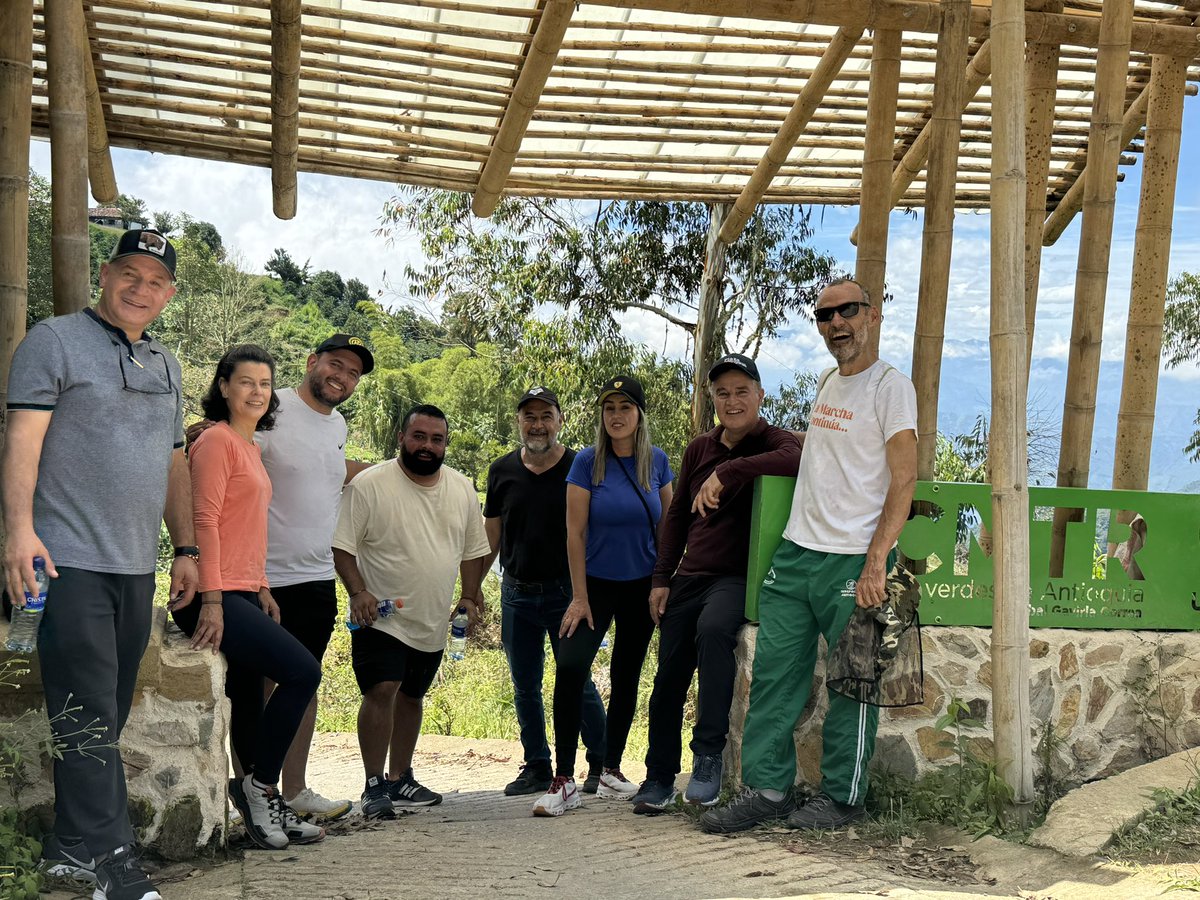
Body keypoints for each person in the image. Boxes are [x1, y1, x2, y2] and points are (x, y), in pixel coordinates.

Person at [2, 229, 196, 900]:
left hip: (135, 567)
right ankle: (116, 867)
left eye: (156, 282)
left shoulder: (168, 366)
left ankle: (68, 849)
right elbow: (22, 441)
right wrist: (19, 532)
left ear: (169, 296)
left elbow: (174, 463)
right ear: (106, 273)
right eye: (130, 274)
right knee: (86, 715)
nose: (140, 289)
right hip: (66, 561)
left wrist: (188, 548)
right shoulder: (52, 342)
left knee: (104, 716)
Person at [700, 278, 917, 834]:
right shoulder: (827, 381)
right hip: (797, 553)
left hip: (851, 560)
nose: (836, 323)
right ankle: (769, 790)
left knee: (852, 682)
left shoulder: (890, 387)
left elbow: (904, 476)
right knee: (775, 676)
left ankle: (844, 799)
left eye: (847, 311)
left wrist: (877, 561)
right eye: (825, 316)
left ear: (870, 316)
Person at [632, 353, 802, 814]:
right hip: (688, 577)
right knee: (667, 677)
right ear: (713, 399)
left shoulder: (775, 439)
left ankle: (708, 758)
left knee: (713, 632)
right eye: (722, 393)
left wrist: (729, 472)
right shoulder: (698, 448)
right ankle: (659, 777)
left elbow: (795, 457)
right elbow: (676, 519)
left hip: (735, 578)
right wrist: (661, 578)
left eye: (741, 391)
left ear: (760, 395)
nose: (732, 401)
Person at [171, 345, 324, 851]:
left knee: (249, 695)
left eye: (264, 384)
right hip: (211, 594)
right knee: (303, 672)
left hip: (241, 589)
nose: (256, 392)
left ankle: (263, 799)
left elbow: (248, 527)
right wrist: (213, 600)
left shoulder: (249, 446)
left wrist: (261, 586)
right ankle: (259, 788)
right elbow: (204, 521)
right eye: (245, 382)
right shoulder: (215, 441)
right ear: (223, 387)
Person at [333, 404, 490, 819]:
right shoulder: (369, 485)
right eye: (418, 436)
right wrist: (357, 591)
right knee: (381, 688)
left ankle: (401, 776)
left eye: (436, 439)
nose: (427, 446)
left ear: (445, 444)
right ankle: (374, 783)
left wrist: (470, 597)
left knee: (412, 695)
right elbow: (342, 545)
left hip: (433, 617)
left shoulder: (461, 489)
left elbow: (474, 551)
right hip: (379, 614)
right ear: (402, 438)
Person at [533, 376, 674, 817]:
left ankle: (610, 769)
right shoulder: (587, 463)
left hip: (640, 587)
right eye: (609, 407)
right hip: (593, 585)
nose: (616, 415)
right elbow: (574, 533)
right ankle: (564, 780)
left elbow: (668, 529)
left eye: (625, 407)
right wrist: (579, 597)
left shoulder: (658, 462)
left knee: (627, 675)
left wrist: (662, 582)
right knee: (570, 667)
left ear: (639, 415)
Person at [256, 334, 375, 822]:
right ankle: (257, 797)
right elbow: (232, 455)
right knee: (263, 687)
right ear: (312, 362)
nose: (342, 377)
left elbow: (325, 473)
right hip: (264, 575)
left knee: (305, 684)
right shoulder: (270, 405)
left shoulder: (337, 424)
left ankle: (296, 789)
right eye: (336, 365)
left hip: (317, 577)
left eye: (352, 373)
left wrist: (388, 472)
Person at [482, 387, 608, 797]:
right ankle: (537, 764)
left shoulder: (581, 466)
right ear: (518, 421)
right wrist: (470, 592)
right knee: (525, 685)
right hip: (516, 593)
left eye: (545, 416)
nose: (537, 424)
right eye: (529, 416)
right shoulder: (501, 471)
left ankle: (602, 763)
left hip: (567, 595)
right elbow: (492, 538)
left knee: (577, 680)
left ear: (561, 420)